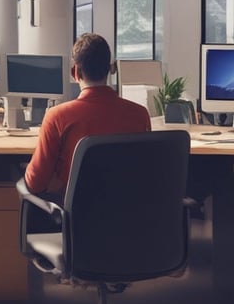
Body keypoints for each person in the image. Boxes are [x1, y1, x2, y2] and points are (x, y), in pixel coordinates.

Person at [24, 33, 151, 200]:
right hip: (127, 215)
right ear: (110, 69)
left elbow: (36, 183)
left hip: (78, 216)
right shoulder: (140, 115)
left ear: (75, 71)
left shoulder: (57, 117)